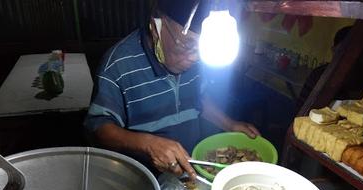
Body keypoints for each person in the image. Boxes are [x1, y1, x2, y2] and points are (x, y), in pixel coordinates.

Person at [84, 0, 260, 179]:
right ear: (156, 26)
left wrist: (229, 124)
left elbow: (198, 99)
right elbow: (100, 130)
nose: (194, 58)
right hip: (141, 181)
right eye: (187, 45)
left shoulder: (199, 59)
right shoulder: (118, 65)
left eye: (201, 48)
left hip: (189, 174)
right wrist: (148, 144)